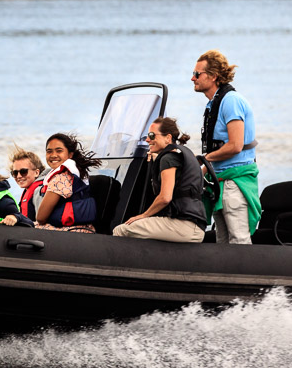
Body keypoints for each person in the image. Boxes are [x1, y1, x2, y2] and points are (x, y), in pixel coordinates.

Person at [193, 49, 262, 244]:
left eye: (197, 74)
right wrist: (198, 173)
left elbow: (235, 145)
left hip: (235, 182)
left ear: (213, 76)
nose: (192, 78)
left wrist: (203, 161)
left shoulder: (231, 101)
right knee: (221, 240)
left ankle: (246, 274)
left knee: (239, 240)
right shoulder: (213, 104)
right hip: (219, 181)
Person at [112, 117, 206, 242]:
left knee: (121, 230)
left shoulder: (168, 159)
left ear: (168, 137)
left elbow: (165, 198)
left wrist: (143, 215)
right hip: (194, 225)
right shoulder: (182, 153)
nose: (147, 139)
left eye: (152, 135)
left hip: (183, 225)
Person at [34, 132, 101, 233]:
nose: (53, 155)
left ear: (70, 154)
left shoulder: (60, 178)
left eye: (59, 151)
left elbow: (41, 218)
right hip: (86, 228)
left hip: (70, 232)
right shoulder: (77, 173)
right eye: (49, 151)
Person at [2, 146, 47, 227]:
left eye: (23, 172)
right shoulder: (28, 190)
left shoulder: (40, 192)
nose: (18, 176)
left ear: (37, 172)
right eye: (15, 173)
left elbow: (43, 223)